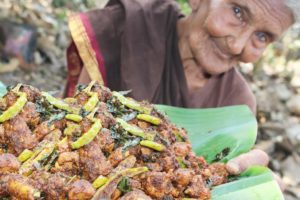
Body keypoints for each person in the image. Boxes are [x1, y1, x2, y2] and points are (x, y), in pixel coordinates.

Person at [65, 0, 297, 190]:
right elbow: (73, 127)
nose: (237, 45)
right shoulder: (129, 28)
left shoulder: (236, 105)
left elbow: (210, 184)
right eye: (237, 12)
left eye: (263, 36)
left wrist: (247, 185)